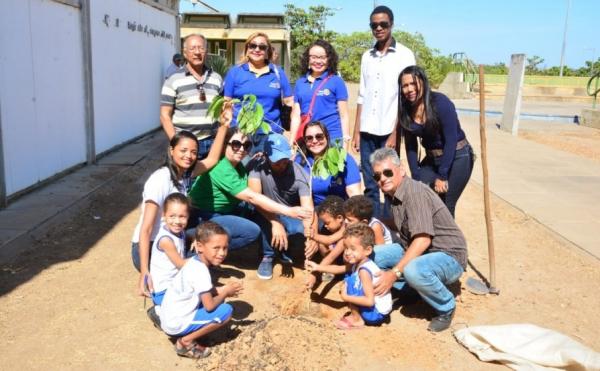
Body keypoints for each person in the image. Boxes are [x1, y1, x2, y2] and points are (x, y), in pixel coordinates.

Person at [132, 103, 232, 297]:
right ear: (171, 150)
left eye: (194, 152)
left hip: (172, 239)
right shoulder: (161, 179)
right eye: (183, 150)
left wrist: (223, 126)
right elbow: (145, 229)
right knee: (192, 279)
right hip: (152, 247)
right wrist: (145, 270)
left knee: (209, 239)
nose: (189, 156)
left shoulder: (185, 173)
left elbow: (211, 160)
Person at [188, 128, 313, 278]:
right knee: (251, 230)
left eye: (246, 146)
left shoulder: (239, 166)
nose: (241, 149)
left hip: (225, 211)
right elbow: (253, 197)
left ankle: (268, 254)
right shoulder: (221, 168)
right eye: (235, 144)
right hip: (203, 216)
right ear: (224, 145)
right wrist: (287, 212)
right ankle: (201, 249)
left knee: (259, 213)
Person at [369, 148, 467, 332]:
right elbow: (406, 226)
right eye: (377, 176)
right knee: (374, 254)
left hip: (448, 255)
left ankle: (446, 306)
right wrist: (373, 220)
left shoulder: (414, 192)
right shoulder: (395, 195)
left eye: (388, 172)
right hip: (420, 250)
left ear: (402, 170)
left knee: (413, 270)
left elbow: (422, 239)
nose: (383, 178)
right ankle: (412, 291)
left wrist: (394, 274)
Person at [351, 5, 415, 219]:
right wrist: (357, 131)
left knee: (390, 182)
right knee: (370, 184)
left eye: (383, 24)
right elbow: (362, 94)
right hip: (367, 129)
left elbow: (406, 98)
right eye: (374, 25)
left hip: (390, 129)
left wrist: (396, 133)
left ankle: (392, 227)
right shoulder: (366, 57)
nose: (378, 28)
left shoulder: (405, 55)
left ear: (391, 25)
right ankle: (374, 227)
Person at [398, 65, 474, 217]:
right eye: (405, 85)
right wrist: (416, 174)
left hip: (458, 155)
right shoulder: (405, 109)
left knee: (445, 204)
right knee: (419, 194)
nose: (409, 89)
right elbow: (411, 145)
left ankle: (449, 240)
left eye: (413, 83)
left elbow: (451, 139)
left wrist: (442, 175)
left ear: (423, 83)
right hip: (432, 158)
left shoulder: (440, 102)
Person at [160, 221, 243, 359]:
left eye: (225, 248)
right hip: (175, 324)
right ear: (199, 246)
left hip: (169, 316)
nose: (222, 253)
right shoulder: (201, 271)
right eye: (216, 248)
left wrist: (221, 290)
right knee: (225, 312)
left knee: (217, 297)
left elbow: (203, 289)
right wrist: (225, 292)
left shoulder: (193, 261)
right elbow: (209, 307)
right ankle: (185, 342)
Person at [247, 133, 314, 279]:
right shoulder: (256, 165)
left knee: (299, 229)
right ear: (265, 156)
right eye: (277, 161)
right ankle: (268, 255)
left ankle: (285, 250)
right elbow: (255, 199)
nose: (282, 164)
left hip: (290, 214)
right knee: (261, 221)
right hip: (264, 210)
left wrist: (311, 235)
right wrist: (275, 221)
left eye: (284, 160)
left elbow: (308, 209)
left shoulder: (300, 174)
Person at [306, 223, 392, 329]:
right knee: (348, 277)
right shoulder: (358, 264)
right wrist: (318, 267)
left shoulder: (364, 271)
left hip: (375, 313)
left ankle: (357, 320)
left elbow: (370, 301)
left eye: (353, 249)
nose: (347, 252)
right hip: (374, 310)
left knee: (349, 281)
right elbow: (338, 269)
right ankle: (356, 315)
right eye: (346, 248)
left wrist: (346, 297)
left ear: (368, 250)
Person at [223, 32, 293, 150]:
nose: (257, 49)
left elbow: (290, 103)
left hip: (270, 134)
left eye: (262, 47)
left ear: (267, 52)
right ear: (247, 49)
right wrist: (226, 132)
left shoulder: (277, 72)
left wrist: (289, 131)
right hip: (241, 134)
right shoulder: (235, 72)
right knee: (243, 168)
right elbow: (227, 104)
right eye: (252, 45)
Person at [161, 34, 223, 160]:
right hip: (185, 145)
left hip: (212, 143)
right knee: (185, 179)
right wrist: (176, 142)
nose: (197, 52)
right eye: (192, 48)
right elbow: (164, 115)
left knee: (210, 180)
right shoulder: (173, 79)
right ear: (184, 53)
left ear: (206, 52)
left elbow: (222, 111)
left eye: (201, 48)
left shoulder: (216, 79)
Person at [290, 39, 350, 148]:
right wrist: (292, 140)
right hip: (308, 138)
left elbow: (344, 115)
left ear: (329, 59)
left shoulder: (336, 81)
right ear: (307, 59)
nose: (318, 61)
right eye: (313, 57)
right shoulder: (300, 83)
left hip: (332, 138)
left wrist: (345, 142)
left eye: (322, 57)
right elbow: (295, 116)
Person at [296, 121, 361, 207]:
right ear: (305, 140)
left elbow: (355, 195)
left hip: (339, 210)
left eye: (319, 136)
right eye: (309, 138)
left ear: (327, 137)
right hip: (312, 210)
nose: (314, 141)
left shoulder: (343, 158)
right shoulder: (299, 161)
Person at [149, 193, 190, 308]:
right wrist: (203, 257)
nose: (177, 221)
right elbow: (181, 264)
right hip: (163, 290)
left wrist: (195, 239)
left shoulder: (178, 231)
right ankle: (159, 310)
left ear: (188, 216)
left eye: (182, 216)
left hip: (175, 283)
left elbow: (184, 236)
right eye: (172, 216)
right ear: (164, 215)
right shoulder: (165, 240)